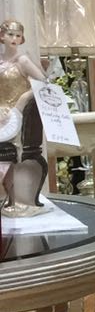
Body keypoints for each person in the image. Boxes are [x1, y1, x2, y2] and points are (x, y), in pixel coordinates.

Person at [0, 17, 48, 216]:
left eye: (18, 35)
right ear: (2, 36)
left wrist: (21, 101)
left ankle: (17, 198)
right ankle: (6, 195)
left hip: (17, 116)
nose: (14, 38)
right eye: (10, 34)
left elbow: (43, 83)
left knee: (13, 152)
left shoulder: (23, 61)